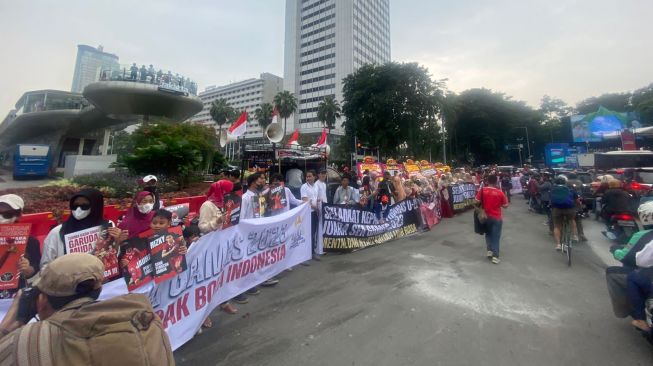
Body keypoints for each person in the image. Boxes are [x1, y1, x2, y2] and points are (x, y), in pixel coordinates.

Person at [0, 253, 174, 365]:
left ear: (42, 300)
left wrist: (8, 326)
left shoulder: (28, 341)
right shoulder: (145, 321)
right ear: (96, 290)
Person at [41, 189, 119, 270]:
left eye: (84, 206)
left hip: (101, 279)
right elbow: (45, 267)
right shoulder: (57, 232)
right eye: (75, 205)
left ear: (96, 207)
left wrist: (117, 241)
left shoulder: (107, 226)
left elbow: (112, 257)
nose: (78, 209)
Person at [0, 194, 41, 295]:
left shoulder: (31, 241)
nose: (1, 217)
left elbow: (35, 267)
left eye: (7, 214)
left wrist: (27, 269)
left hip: (15, 292)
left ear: (18, 216)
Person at [475, 174, 509, 264]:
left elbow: (476, 202)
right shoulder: (500, 192)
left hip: (485, 217)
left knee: (488, 234)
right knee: (496, 236)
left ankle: (489, 251)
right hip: (496, 217)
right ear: (496, 182)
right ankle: (495, 256)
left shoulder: (482, 190)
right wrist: (498, 204)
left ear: (487, 181)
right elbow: (506, 206)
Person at [551, 176, 579, 251]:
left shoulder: (553, 189)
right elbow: (577, 200)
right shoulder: (570, 189)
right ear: (565, 182)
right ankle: (574, 236)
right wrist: (579, 205)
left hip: (557, 210)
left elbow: (550, 200)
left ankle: (558, 244)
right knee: (572, 220)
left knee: (557, 226)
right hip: (569, 209)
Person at [301, 170, 321, 261]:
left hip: (315, 213)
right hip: (308, 213)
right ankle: (306, 254)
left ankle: (312, 252)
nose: (308, 178)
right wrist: (315, 207)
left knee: (313, 232)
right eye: (307, 176)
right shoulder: (304, 187)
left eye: (310, 176)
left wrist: (319, 204)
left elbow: (317, 198)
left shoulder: (316, 186)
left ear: (314, 177)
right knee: (307, 233)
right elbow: (305, 201)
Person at [566, 172, 588, 242]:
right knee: (578, 219)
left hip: (569, 201)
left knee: (569, 219)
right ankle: (581, 234)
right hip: (578, 201)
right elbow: (583, 190)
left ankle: (571, 234)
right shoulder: (580, 182)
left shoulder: (567, 182)